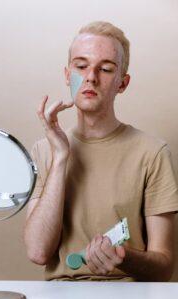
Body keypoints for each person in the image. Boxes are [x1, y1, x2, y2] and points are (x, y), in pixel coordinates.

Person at [24, 21, 178, 281]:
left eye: (106, 69)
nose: (91, 77)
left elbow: (164, 267)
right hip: (60, 294)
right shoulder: (44, 150)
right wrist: (61, 157)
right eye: (81, 66)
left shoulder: (152, 153)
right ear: (67, 75)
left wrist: (124, 257)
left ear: (122, 83)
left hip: (131, 295)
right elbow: (38, 252)